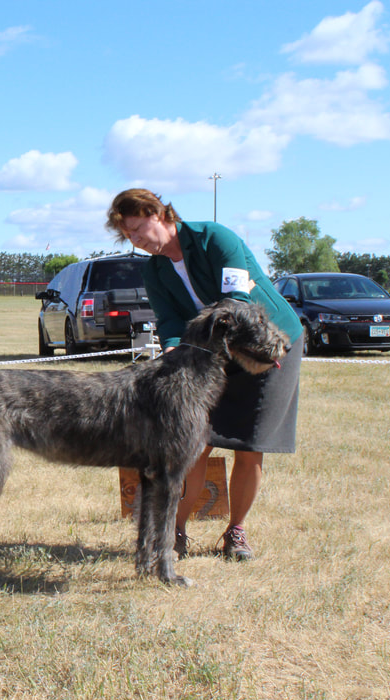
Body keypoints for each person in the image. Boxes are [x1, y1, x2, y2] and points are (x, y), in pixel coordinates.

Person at [105, 188, 304, 561]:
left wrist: (204, 347)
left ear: (159, 213)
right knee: (195, 445)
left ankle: (236, 533)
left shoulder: (215, 238)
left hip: (265, 344)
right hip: (213, 355)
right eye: (128, 236)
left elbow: (237, 304)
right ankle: (174, 534)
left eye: (137, 228)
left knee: (251, 445)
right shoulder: (155, 269)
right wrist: (172, 349)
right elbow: (168, 320)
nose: (137, 240)